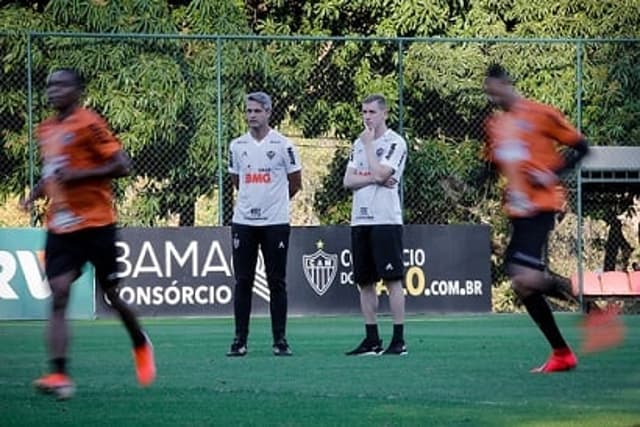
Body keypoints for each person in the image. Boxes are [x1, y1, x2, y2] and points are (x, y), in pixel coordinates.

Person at [20, 68, 156, 399]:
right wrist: (35, 194)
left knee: (112, 295)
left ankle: (139, 341)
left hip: (97, 224)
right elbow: (53, 173)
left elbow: (122, 165)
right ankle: (59, 374)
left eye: (62, 85)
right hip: (61, 226)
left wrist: (79, 175)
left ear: (77, 91)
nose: (53, 90)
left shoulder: (90, 123)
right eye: (50, 85)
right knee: (59, 293)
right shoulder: (46, 129)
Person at [483, 64, 590, 373]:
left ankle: (590, 305)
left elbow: (582, 147)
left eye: (494, 90)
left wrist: (552, 173)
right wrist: (465, 183)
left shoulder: (540, 113)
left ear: (507, 84)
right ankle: (561, 353)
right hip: (518, 210)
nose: (492, 97)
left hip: (542, 205)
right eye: (488, 92)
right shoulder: (496, 126)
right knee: (523, 286)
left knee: (522, 277)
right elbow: (491, 165)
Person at [226, 91, 302, 357]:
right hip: (244, 221)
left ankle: (280, 340)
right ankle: (239, 340)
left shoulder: (284, 145)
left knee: (276, 281)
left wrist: (274, 203)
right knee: (243, 281)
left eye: (257, 111)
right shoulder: (237, 146)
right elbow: (237, 181)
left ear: (269, 112)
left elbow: (296, 183)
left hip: (275, 222)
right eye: (248, 111)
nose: (251, 116)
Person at [343, 94, 408, 356]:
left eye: (371, 112)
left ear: (384, 113)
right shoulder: (357, 143)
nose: (367, 116)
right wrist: (374, 177)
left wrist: (370, 150)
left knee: (392, 280)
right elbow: (348, 180)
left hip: (385, 220)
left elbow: (385, 173)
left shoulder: (395, 142)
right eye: (364, 112)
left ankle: (398, 340)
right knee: (365, 281)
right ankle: (371, 339)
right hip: (360, 218)